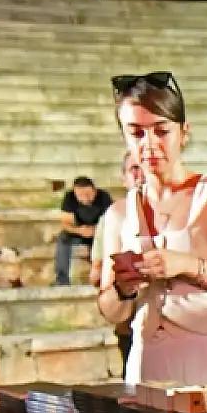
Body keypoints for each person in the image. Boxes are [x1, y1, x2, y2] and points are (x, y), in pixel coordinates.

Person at [94, 71, 207, 385]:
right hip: (149, 360)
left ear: (183, 133)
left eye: (161, 131)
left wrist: (187, 265)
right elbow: (109, 310)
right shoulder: (119, 213)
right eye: (136, 133)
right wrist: (123, 289)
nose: (150, 144)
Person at [91, 152, 144, 370]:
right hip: (132, 327)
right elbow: (98, 271)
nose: (142, 175)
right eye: (134, 169)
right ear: (123, 178)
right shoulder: (113, 217)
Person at [54, 175, 111, 286]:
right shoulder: (70, 197)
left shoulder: (104, 197)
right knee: (63, 239)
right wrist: (80, 230)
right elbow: (65, 223)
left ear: (94, 191)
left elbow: (111, 221)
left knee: (108, 240)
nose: (84, 198)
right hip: (79, 232)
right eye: (80, 195)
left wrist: (96, 231)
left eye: (88, 194)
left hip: (99, 232)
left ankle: (106, 276)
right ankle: (62, 279)